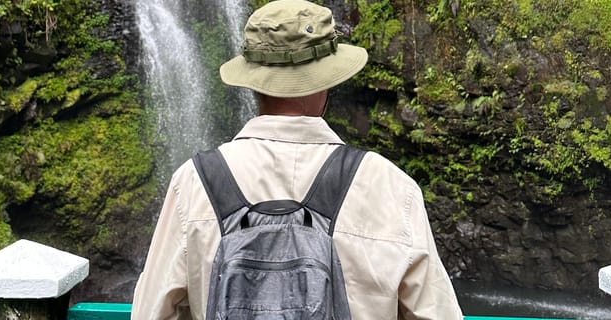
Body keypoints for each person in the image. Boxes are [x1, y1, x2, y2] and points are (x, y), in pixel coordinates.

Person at [132, 0, 463, 319]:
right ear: (327, 80)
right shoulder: (390, 186)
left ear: (252, 82)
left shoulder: (193, 183)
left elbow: (151, 312)